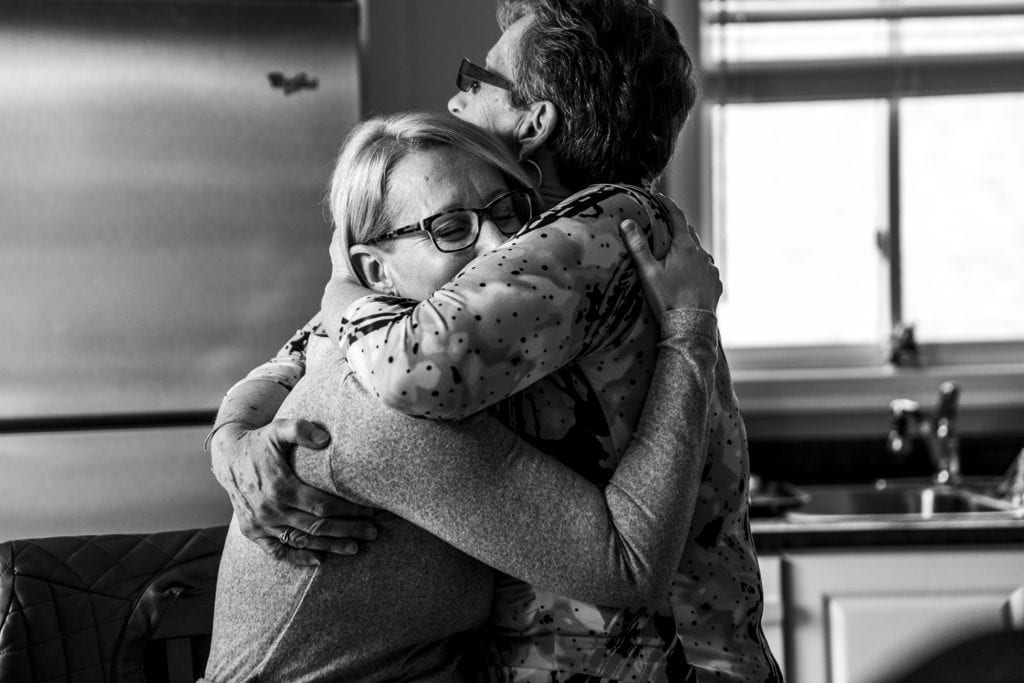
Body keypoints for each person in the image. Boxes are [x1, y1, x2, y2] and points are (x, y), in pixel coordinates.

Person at [209, 1, 782, 680]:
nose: (457, 97)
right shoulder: (549, 239)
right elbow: (327, 347)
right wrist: (233, 432)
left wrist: (345, 291)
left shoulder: (597, 228)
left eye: (480, 80)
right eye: (453, 228)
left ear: (534, 122)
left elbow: (408, 362)